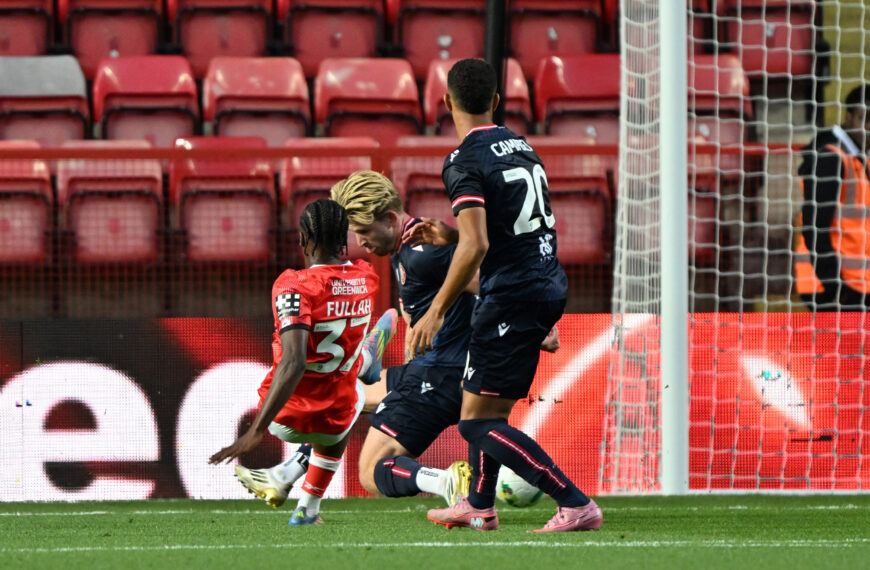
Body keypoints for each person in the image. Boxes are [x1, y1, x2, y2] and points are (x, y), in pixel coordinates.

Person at [231, 170, 560, 510]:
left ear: (388, 218)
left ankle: (445, 482)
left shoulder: (422, 252)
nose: (361, 243)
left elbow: (488, 283)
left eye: (363, 232)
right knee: (348, 395)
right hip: (443, 367)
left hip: (441, 375)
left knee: (371, 473)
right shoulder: (411, 248)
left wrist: (537, 327)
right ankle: (287, 473)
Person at [404, 58, 602, 532]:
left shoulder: (462, 160)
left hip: (511, 295)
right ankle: (479, 503)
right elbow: (524, 227)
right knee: (487, 405)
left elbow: (478, 244)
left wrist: (434, 311)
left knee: (475, 422)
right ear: (495, 101)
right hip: (540, 283)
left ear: (446, 102)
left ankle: (574, 502)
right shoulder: (523, 147)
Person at [209, 198, 381, 526]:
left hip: (288, 420)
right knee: (353, 392)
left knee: (335, 379)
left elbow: (294, 362)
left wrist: (256, 430)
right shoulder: (367, 277)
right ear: (345, 239)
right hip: (334, 422)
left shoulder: (294, 285)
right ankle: (309, 507)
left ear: (303, 239)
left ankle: (364, 360)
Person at [795, 84, 870, 311]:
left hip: (855, 283)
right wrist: (835, 286)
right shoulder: (830, 157)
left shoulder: (858, 157)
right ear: (848, 116)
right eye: (864, 118)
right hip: (833, 285)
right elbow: (814, 225)